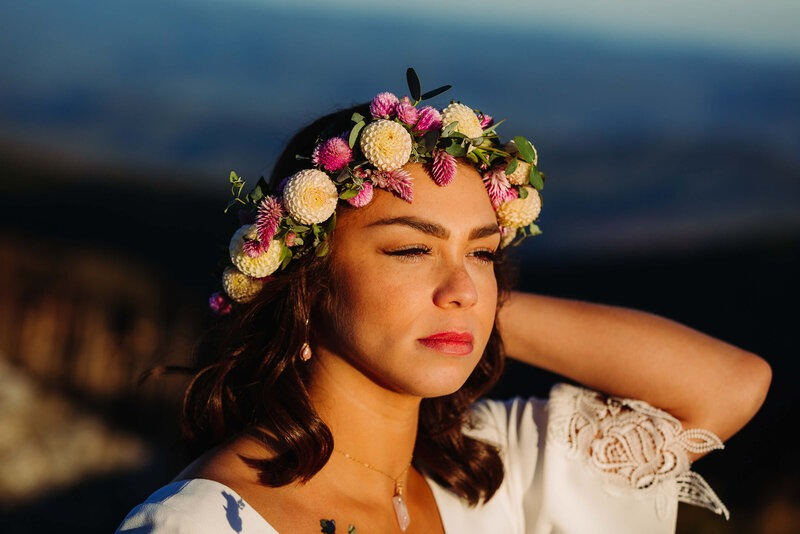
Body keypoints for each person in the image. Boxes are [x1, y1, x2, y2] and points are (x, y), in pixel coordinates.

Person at [115, 69, 771, 533]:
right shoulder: (205, 524)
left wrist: (476, 308)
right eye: (409, 250)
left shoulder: (492, 472)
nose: (460, 290)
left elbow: (731, 384)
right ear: (307, 286)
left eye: (483, 252)